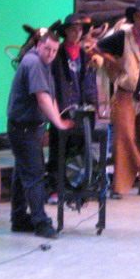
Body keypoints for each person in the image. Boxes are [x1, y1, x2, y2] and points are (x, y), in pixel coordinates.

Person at [7, 31, 73, 239]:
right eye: (47, 49)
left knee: (22, 174)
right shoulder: (34, 62)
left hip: (30, 129)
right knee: (34, 175)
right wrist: (58, 123)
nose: (51, 54)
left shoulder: (44, 64)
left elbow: (50, 97)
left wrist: (56, 120)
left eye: (54, 50)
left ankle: (19, 218)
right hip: (24, 129)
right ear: (38, 46)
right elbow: (42, 97)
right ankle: (41, 223)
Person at [95, 0, 140, 198]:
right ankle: (121, 186)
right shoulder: (122, 36)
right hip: (126, 94)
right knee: (124, 139)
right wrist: (115, 65)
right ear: (134, 18)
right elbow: (98, 48)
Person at [47, 13, 99, 187]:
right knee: (58, 147)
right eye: (73, 30)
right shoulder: (57, 53)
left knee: (77, 147)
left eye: (79, 30)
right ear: (66, 31)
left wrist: (92, 104)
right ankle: (56, 186)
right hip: (61, 107)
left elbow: (88, 82)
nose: (77, 33)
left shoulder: (84, 55)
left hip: (80, 108)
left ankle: (75, 187)